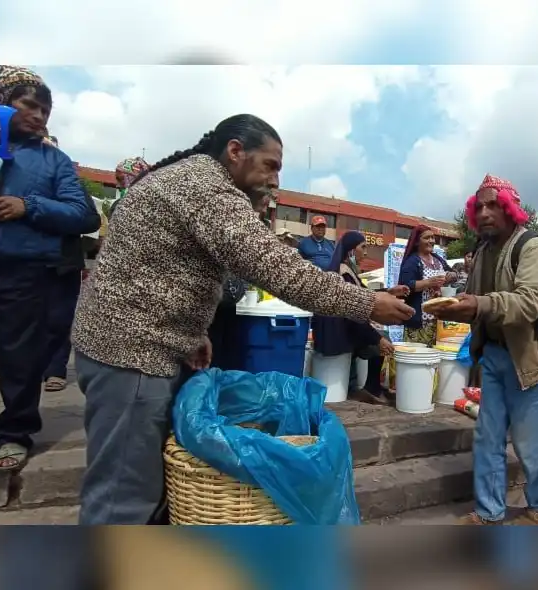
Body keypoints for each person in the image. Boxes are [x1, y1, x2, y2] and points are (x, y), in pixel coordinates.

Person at [70, 114, 413, 525]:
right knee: (122, 500)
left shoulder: (196, 181)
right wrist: (367, 304)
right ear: (235, 151)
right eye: (270, 165)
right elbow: (276, 267)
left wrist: (193, 333)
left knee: (144, 487)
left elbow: (166, 270)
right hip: (131, 353)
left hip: (138, 345)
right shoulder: (208, 189)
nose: (273, 180)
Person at [433, 174, 538, 525]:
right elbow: (476, 302)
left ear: (511, 208)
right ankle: (489, 512)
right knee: (487, 439)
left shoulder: (534, 247)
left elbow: (528, 304)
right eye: (478, 206)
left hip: (537, 359)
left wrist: (476, 305)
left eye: (493, 205)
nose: (484, 213)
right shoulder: (483, 251)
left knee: (533, 447)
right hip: (495, 357)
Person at [0, 65, 100, 472]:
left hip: (21, 270)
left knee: (16, 355)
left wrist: (27, 207)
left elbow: (82, 215)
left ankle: (14, 433)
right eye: (28, 106)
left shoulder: (54, 161)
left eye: (45, 111)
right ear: (1, 104)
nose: (38, 116)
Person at [42, 134, 102, 393]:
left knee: (60, 318)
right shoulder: (16, 178)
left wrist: (60, 215)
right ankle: (29, 367)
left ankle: (55, 369)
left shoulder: (74, 186)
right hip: (23, 259)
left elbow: (92, 221)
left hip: (64, 261)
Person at [312, 231, 402, 404]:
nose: (366, 252)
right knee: (382, 342)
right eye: (363, 247)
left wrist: (389, 292)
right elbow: (354, 313)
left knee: (380, 338)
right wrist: (377, 339)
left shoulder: (346, 270)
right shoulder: (344, 274)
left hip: (341, 330)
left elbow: (364, 295)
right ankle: (369, 389)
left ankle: (367, 387)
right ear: (351, 251)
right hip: (340, 333)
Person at [208, 188, 274, 370]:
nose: (264, 207)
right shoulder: (231, 219)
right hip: (216, 299)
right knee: (213, 349)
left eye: (267, 203)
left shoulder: (262, 226)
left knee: (231, 350)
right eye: (263, 201)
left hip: (238, 301)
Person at [399, 225, 458, 346]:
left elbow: (452, 273)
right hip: (420, 323)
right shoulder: (412, 261)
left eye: (432, 237)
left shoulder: (437, 259)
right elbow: (405, 285)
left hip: (438, 321)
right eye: (427, 238)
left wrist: (451, 275)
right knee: (418, 359)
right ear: (416, 242)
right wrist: (429, 282)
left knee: (435, 360)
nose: (431, 241)